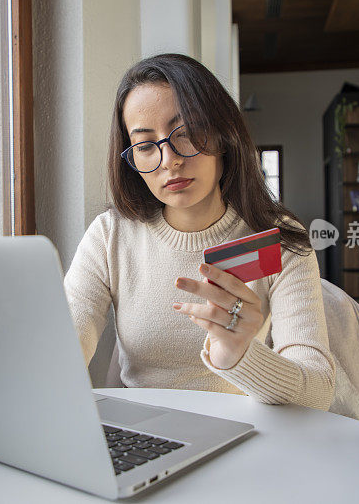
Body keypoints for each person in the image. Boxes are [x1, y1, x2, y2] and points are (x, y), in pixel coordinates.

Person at [64, 54, 335, 411]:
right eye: (146, 146)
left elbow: (319, 392)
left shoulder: (279, 241)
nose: (170, 160)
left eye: (188, 133)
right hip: (144, 440)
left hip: (243, 436)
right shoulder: (110, 236)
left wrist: (238, 356)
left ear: (225, 135)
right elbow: (67, 341)